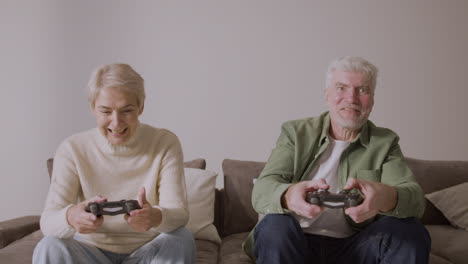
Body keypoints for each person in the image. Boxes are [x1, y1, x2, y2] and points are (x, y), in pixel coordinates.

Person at [244, 56, 431, 264]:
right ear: (327, 95)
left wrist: (383, 196)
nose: (351, 98)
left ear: (373, 99)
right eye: (341, 88)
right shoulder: (295, 133)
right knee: (275, 225)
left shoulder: (385, 142)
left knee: (410, 230)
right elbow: (262, 190)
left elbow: (416, 201)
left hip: (355, 248)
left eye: (363, 90)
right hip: (294, 242)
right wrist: (288, 195)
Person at [33, 63, 196, 264]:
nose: (116, 123)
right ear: (93, 107)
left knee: (182, 239)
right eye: (106, 111)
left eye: (126, 111)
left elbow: (179, 215)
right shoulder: (72, 148)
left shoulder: (164, 143)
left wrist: (155, 217)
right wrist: (70, 217)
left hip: (147, 253)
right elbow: (48, 222)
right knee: (49, 245)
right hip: (88, 253)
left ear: (141, 107)